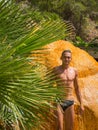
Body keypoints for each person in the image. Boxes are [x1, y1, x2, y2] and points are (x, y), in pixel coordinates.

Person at [53, 50, 84, 130]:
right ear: (61, 58)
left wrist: (81, 104)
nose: (66, 59)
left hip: (69, 101)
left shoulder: (74, 71)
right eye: (65, 57)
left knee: (70, 127)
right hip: (59, 101)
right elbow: (48, 86)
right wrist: (48, 101)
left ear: (71, 59)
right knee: (59, 127)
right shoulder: (56, 70)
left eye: (68, 57)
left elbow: (77, 88)